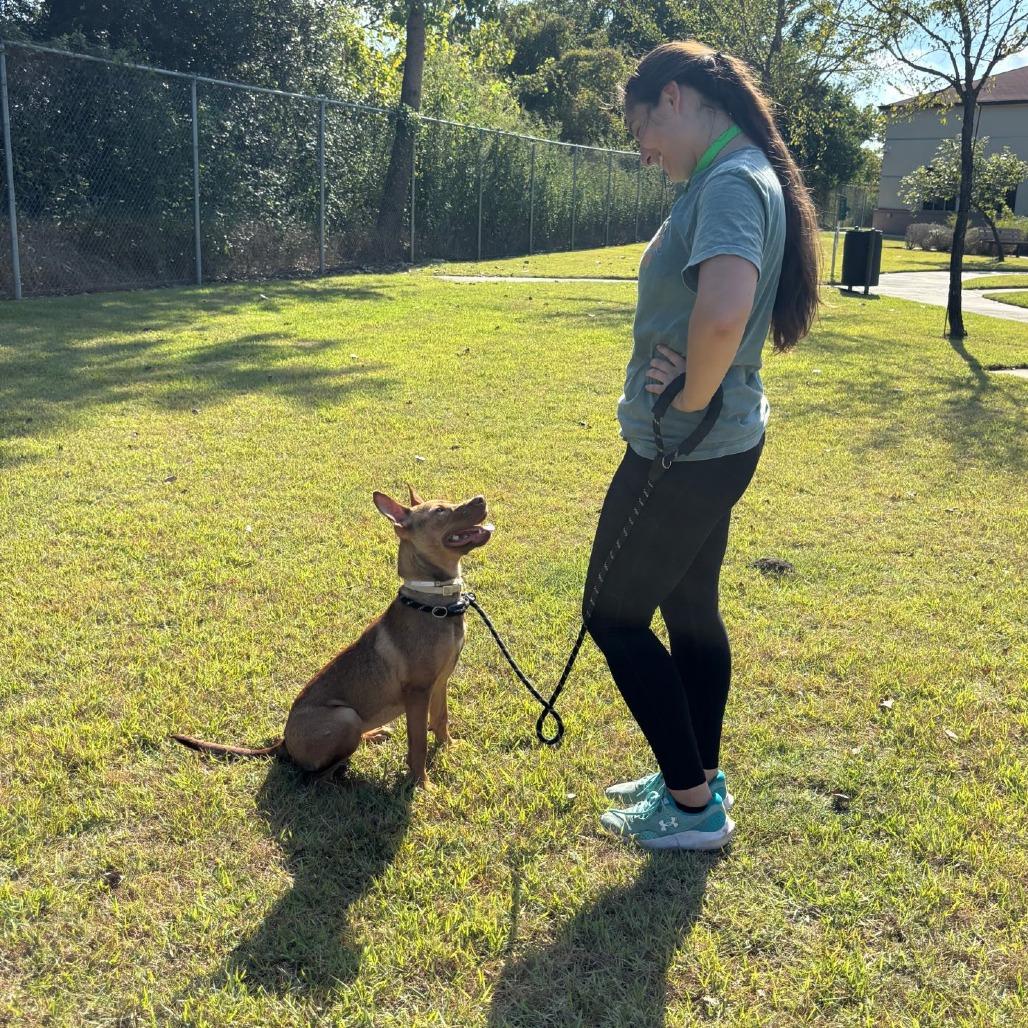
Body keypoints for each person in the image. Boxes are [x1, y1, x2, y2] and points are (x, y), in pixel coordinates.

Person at [585, 40, 821, 851]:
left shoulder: (728, 181)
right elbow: (719, 312)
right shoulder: (744, 170)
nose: (643, 151)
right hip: (713, 442)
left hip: (686, 446)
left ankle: (692, 810)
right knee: (688, 609)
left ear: (676, 97)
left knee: (610, 614)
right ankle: (697, 778)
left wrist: (685, 395)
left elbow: (724, 314)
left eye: (641, 129)